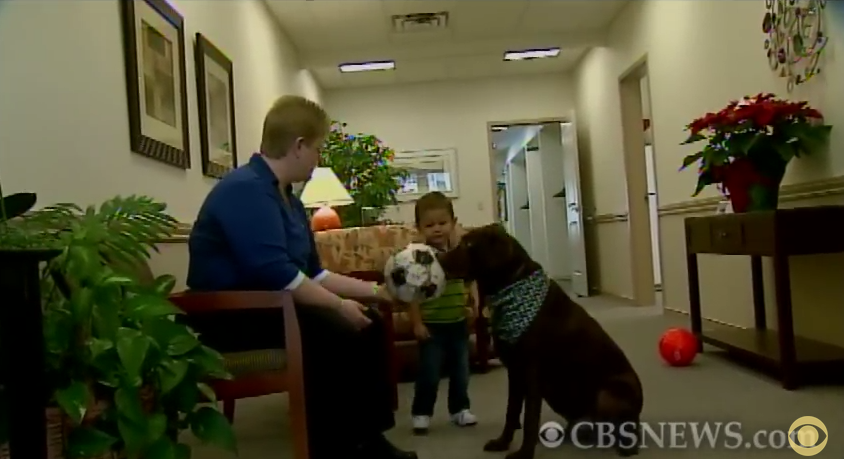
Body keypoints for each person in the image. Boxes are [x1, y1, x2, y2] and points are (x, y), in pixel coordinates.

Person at [186, 95, 417, 459]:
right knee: (335, 328)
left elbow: (312, 274)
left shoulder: (288, 199)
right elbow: (274, 273)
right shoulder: (246, 189)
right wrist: (340, 307)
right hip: (229, 318)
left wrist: (376, 293)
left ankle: (366, 439)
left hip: (270, 308)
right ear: (298, 146)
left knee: (368, 321)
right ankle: (335, 447)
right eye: (318, 149)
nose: (318, 159)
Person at [408, 192, 479, 434]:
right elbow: (412, 293)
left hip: (458, 322)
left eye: (442, 223)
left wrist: (473, 304)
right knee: (429, 372)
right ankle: (422, 412)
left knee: (461, 370)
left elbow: (469, 281)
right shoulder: (418, 257)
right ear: (418, 228)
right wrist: (417, 323)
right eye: (429, 225)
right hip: (432, 325)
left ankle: (460, 409)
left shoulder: (460, 252)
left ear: (453, 222)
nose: (437, 229)